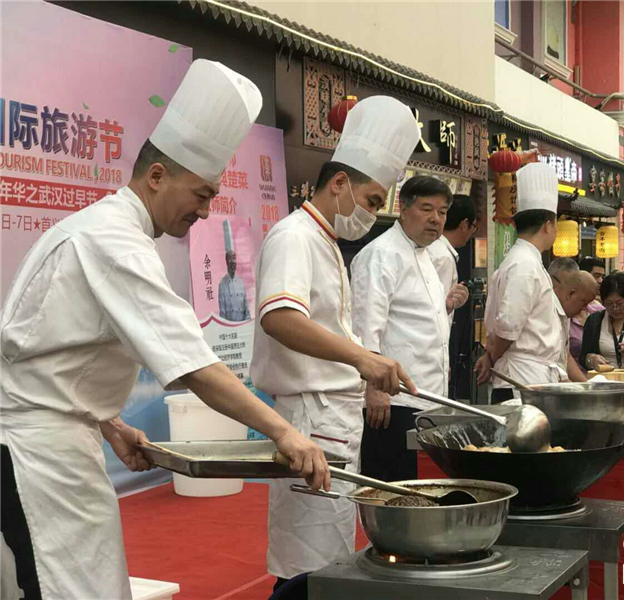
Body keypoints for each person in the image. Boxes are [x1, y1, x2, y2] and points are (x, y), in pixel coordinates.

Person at [0, 60, 330, 600]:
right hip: (39, 456)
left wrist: (112, 425)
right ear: (157, 177)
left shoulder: (96, 229)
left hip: (57, 441)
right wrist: (284, 433)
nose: (204, 211)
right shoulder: (115, 242)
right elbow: (196, 366)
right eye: (201, 195)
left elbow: (47, 356)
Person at [250, 95, 421, 590]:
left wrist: (367, 360)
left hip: (332, 417)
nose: (372, 214)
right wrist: (363, 359)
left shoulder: (325, 241)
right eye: (371, 201)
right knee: (308, 557)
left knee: (328, 549)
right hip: (309, 414)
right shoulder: (294, 237)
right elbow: (280, 318)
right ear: (340, 182)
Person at [351, 176, 466, 482]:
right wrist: (374, 390)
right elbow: (365, 326)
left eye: (442, 212)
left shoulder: (427, 254)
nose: (435, 219)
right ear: (403, 208)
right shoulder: (382, 254)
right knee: (394, 491)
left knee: (424, 490)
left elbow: (417, 317)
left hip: (429, 398)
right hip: (393, 401)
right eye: (426, 209)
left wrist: (448, 306)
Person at [473, 163, 562, 403]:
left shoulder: (525, 260)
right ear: (548, 225)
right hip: (520, 381)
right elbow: (509, 326)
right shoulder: (523, 264)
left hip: (529, 379)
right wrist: (491, 358)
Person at [427, 194, 476, 326]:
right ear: (465, 224)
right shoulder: (443, 257)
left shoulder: (432, 247)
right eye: (474, 227)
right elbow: (438, 308)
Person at [548, 259, 597, 382]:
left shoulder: (565, 313)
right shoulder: (544, 309)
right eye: (583, 302)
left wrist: (586, 387)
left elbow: (565, 355)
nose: (584, 309)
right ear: (571, 293)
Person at [218, 219, 251, 322]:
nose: (233, 261)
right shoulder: (222, 284)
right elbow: (222, 314)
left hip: (242, 326)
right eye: (230, 258)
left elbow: (247, 309)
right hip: (230, 329)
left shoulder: (241, 282)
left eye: (234, 258)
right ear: (226, 261)